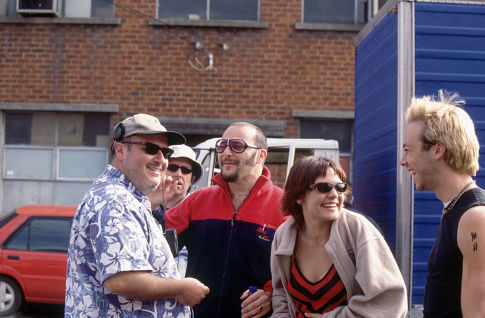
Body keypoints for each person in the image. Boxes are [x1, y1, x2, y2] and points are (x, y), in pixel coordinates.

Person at [64, 114, 210, 317]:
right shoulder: (115, 202)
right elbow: (123, 279)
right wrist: (181, 288)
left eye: (166, 152)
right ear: (120, 150)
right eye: (150, 149)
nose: (161, 159)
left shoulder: (126, 198)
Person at [166, 122, 287, 318]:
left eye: (237, 146)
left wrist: (272, 294)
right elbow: (151, 243)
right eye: (222, 145)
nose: (226, 153)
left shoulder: (285, 208)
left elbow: (301, 269)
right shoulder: (198, 201)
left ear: (261, 155)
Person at [271, 156, 407, 317]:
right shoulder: (283, 235)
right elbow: (280, 295)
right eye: (323, 187)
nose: (334, 194)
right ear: (299, 196)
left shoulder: (358, 230)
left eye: (340, 187)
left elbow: (389, 301)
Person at [400, 90, 485, 317]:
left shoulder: (474, 217)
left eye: (408, 150)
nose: (403, 161)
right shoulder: (455, 209)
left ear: (438, 149)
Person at [148, 144, 204, 275]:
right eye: (173, 168)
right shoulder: (142, 204)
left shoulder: (198, 211)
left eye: (186, 170)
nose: (179, 174)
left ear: (193, 179)